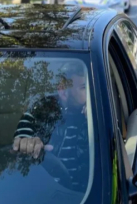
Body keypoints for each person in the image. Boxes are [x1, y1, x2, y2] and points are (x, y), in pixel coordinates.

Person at [12, 61, 89, 192]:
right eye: (84, 87)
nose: (90, 93)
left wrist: (91, 123)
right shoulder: (39, 112)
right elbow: (21, 141)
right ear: (63, 91)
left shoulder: (93, 116)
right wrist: (29, 143)